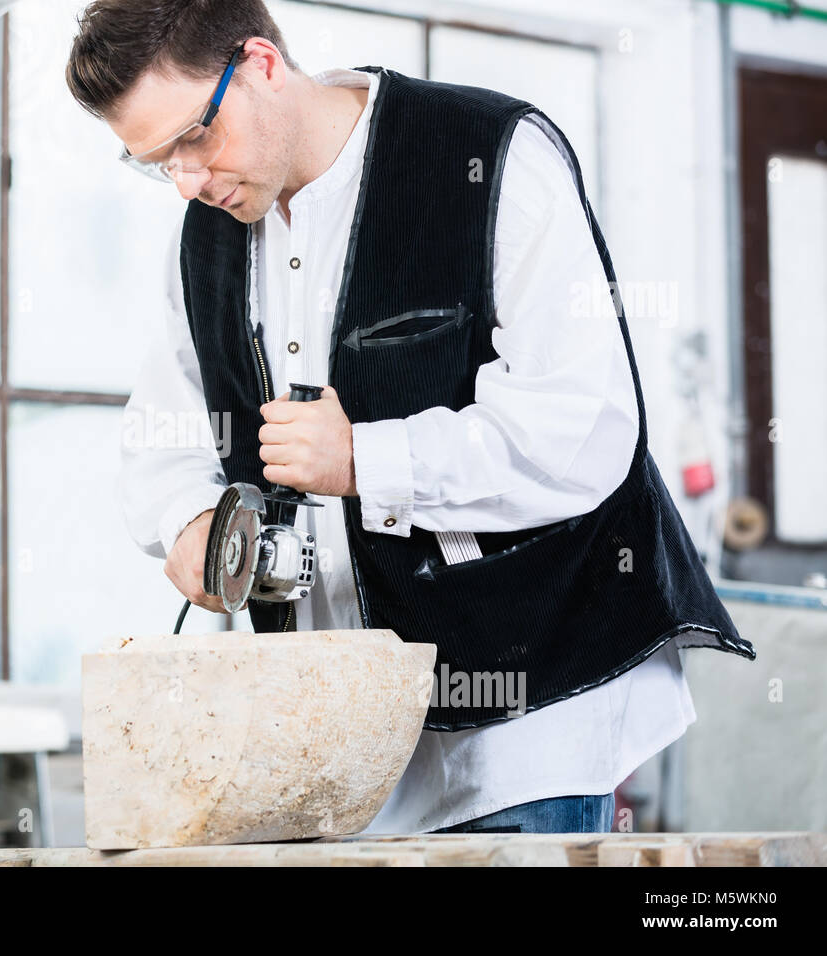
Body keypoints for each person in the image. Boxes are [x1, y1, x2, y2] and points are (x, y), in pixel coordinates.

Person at [65, 0, 754, 834]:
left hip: (522, 724)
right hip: (329, 745)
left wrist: (367, 460)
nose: (187, 181)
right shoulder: (207, 228)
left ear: (260, 65)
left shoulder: (489, 153)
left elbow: (584, 429)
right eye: (155, 162)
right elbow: (163, 428)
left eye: (191, 139)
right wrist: (190, 519)